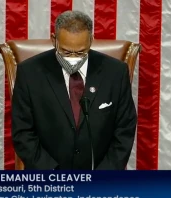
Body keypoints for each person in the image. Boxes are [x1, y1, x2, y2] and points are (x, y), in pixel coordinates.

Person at [11, 10, 137, 170]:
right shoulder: (29, 73)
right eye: (66, 51)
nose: (73, 57)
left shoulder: (115, 72)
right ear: (53, 39)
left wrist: (104, 176)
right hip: (48, 179)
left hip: (101, 180)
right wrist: (54, 175)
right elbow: (22, 132)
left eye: (80, 52)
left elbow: (125, 128)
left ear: (91, 40)